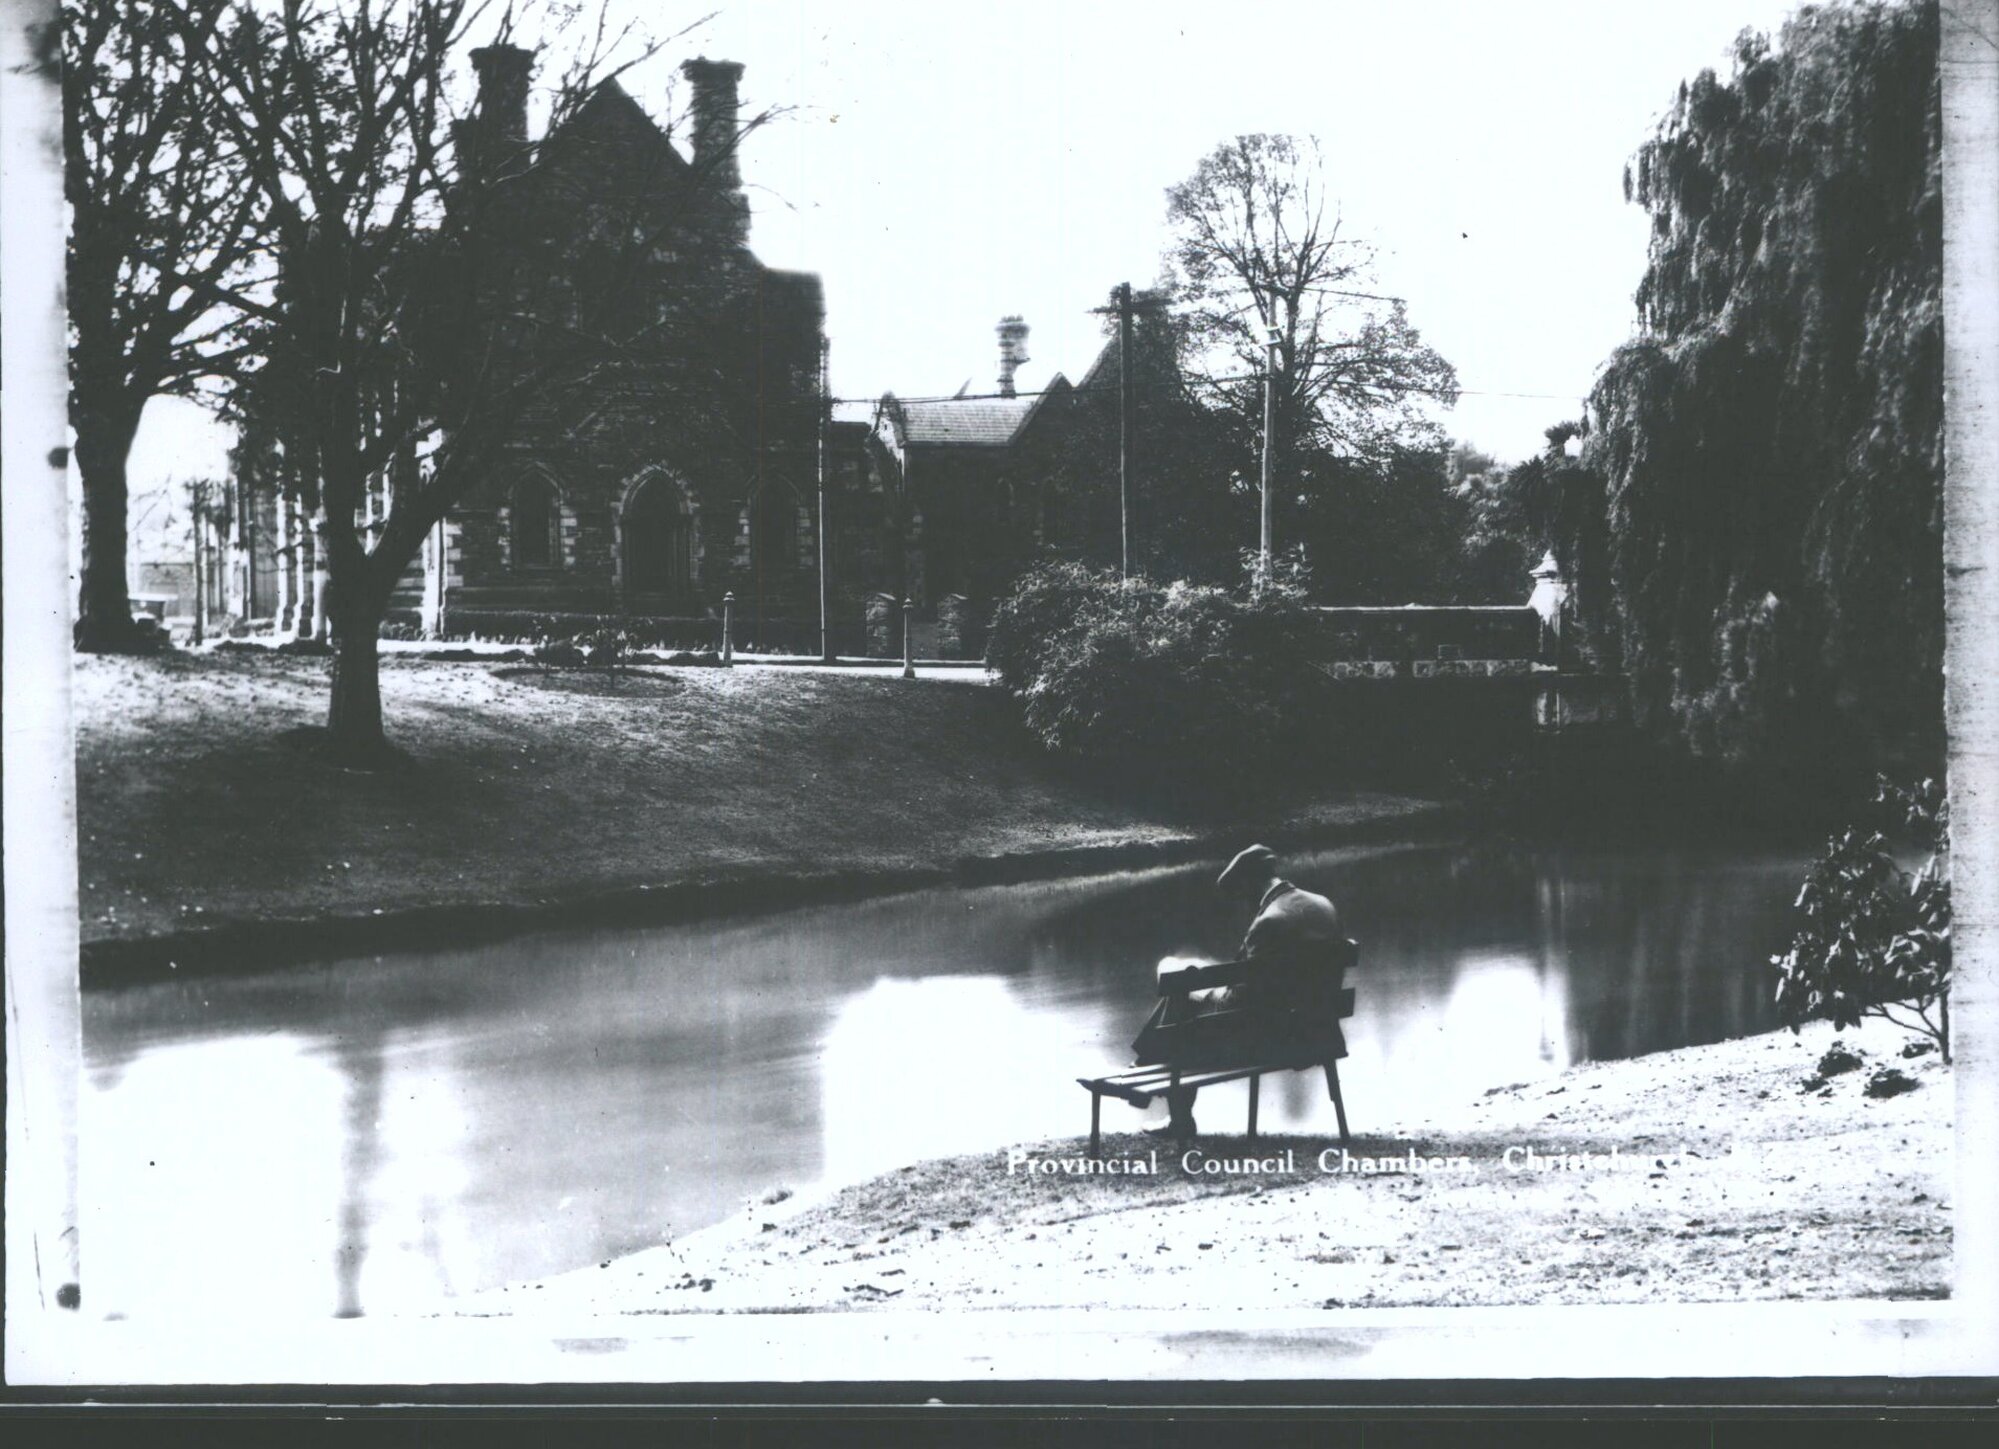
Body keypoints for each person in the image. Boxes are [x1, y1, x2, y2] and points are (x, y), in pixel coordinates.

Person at [1131, 844, 1345, 1140]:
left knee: (1180, 996)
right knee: (1184, 988)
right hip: (1319, 1032)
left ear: (1249, 884)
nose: (1245, 905)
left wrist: (1203, 992)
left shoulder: (1268, 923)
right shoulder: (1323, 905)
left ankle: (1165, 1098)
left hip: (1272, 1042)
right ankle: (1145, 1064)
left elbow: (1241, 1002)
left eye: (1243, 895)